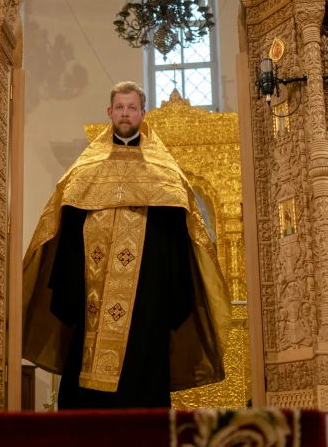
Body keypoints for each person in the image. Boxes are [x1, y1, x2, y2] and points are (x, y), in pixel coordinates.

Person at [22, 81, 231, 409]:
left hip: (149, 297)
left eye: (131, 108)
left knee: (144, 365)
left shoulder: (163, 171)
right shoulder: (88, 167)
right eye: (119, 107)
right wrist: (69, 288)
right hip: (94, 293)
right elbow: (69, 222)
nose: (125, 113)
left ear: (142, 114)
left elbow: (179, 232)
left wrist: (175, 293)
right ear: (110, 112)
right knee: (86, 370)